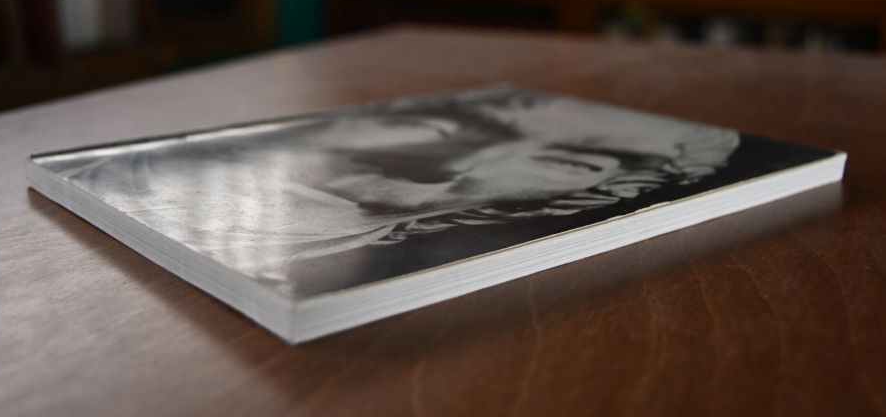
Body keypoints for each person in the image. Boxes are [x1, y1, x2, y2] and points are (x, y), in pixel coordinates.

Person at [40, 87, 739, 279]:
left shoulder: (318, 251)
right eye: (501, 118)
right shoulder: (194, 173)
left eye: (570, 159)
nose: (481, 146)